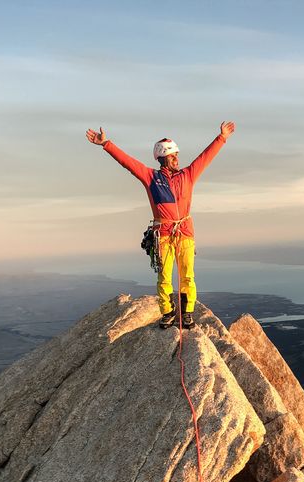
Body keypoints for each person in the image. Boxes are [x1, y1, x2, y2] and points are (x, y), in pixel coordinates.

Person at [86, 121, 236, 329]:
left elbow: (205, 158)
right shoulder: (151, 178)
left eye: (176, 155)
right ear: (162, 158)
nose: (177, 158)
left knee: (187, 275)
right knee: (165, 277)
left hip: (184, 232)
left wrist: (222, 138)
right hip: (164, 234)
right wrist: (106, 144)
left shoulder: (188, 175)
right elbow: (128, 163)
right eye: (172, 155)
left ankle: (187, 313)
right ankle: (168, 312)